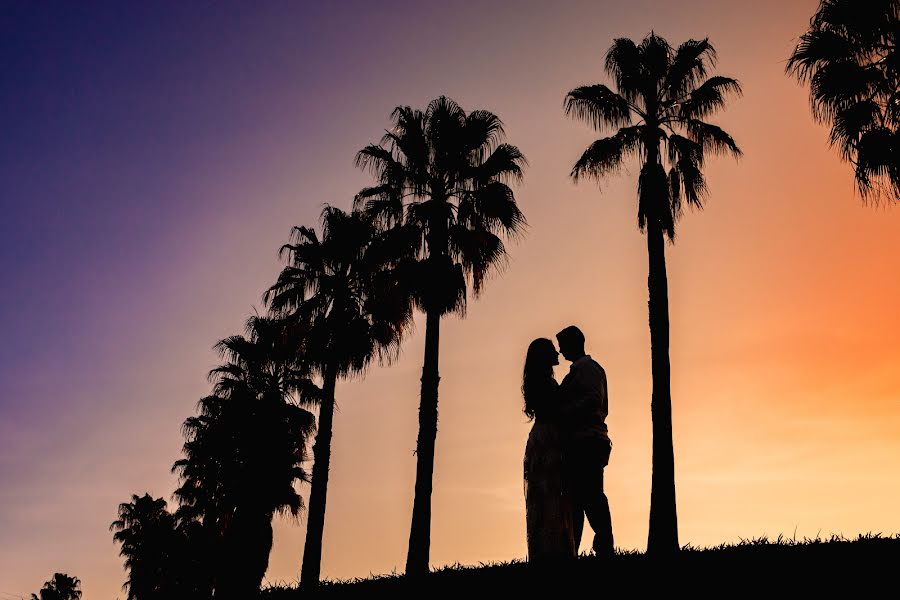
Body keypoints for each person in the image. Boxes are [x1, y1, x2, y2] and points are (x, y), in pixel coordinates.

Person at [556, 325, 614, 557]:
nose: (560, 352)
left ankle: (604, 545)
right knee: (579, 499)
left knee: (591, 495)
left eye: (562, 346)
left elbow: (593, 400)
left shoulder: (588, 369)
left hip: (588, 441)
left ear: (574, 344)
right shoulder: (580, 371)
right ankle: (576, 548)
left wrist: (565, 413)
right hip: (582, 441)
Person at [522, 338, 577, 562]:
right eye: (553, 351)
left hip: (540, 438)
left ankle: (547, 548)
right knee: (552, 494)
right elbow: (556, 410)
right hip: (549, 439)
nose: (557, 353)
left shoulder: (538, 382)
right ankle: (553, 549)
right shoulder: (546, 384)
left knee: (544, 496)